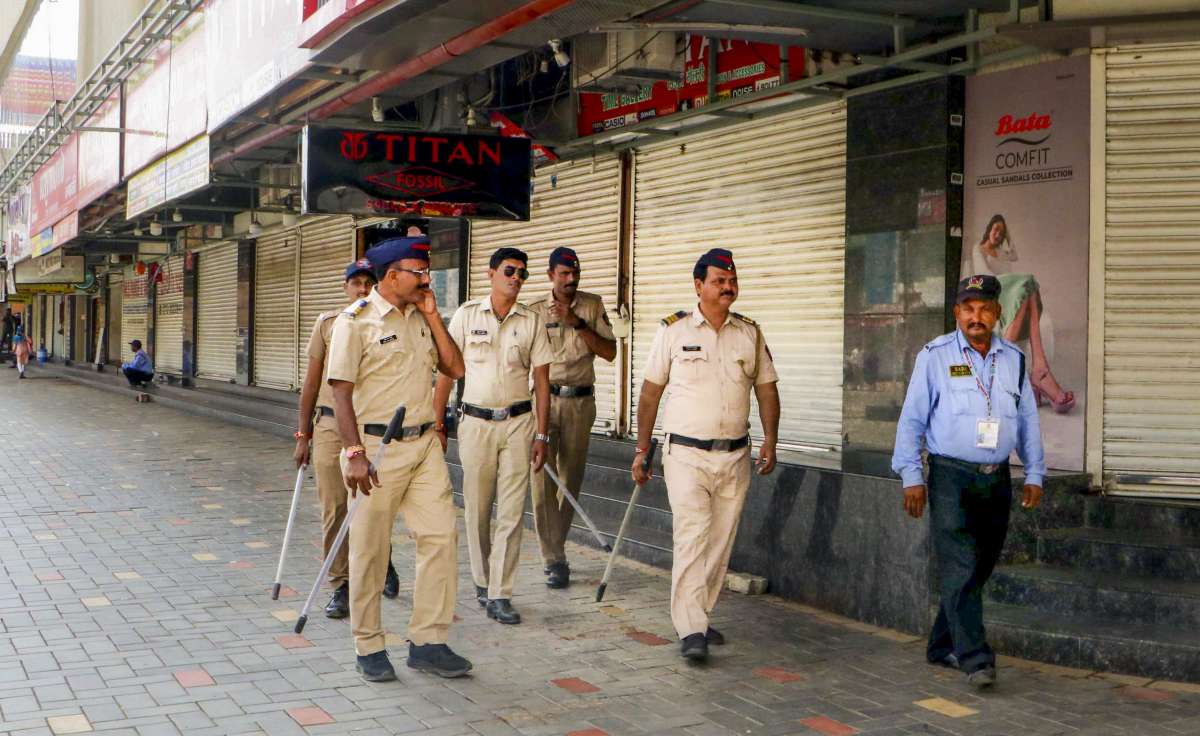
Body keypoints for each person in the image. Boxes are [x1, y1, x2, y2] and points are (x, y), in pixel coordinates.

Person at [326, 236, 471, 682]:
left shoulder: (421, 316)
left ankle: (428, 640)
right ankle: (368, 644)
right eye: (419, 272)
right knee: (370, 549)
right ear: (392, 276)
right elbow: (340, 392)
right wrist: (353, 453)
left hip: (425, 443)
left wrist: (433, 314)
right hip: (376, 448)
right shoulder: (355, 322)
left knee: (440, 538)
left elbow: (456, 369)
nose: (427, 279)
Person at [892, 274, 1046, 689]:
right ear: (957, 312)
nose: (976, 317)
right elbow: (912, 419)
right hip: (950, 477)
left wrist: (1034, 471)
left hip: (996, 480)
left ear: (998, 313)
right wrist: (911, 476)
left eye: (984, 309)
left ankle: (942, 642)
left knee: (980, 566)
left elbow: (1028, 419)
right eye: (968, 308)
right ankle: (975, 657)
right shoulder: (935, 356)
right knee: (960, 564)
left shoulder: (1013, 358)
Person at [632, 248, 780, 662]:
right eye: (719, 281)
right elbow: (650, 392)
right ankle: (690, 626)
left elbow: (766, 389)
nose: (728, 287)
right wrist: (642, 449)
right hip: (686, 455)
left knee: (719, 543)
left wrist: (770, 439)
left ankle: (699, 611)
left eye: (732, 280)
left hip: (735, 455)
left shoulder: (749, 333)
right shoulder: (673, 331)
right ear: (699, 286)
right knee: (693, 535)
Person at [434, 247, 553, 625]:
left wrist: (543, 435)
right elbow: (446, 371)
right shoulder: (468, 316)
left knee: (514, 511)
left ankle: (501, 592)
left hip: (520, 423)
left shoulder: (531, 321)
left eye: (522, 273)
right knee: (478, 508)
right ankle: (482, 582)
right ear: (490, 273)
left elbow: (542, 382)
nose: (516, 278)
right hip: (475, 424)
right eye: (510, 270)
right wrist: (438, 422)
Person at [294, 260, 401, 620]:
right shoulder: (328, 324)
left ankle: (382, 561)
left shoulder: (388, 323)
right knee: (335, 509)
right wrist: (302, 435)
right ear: (345, 287)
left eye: (368, 283)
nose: (361, 289)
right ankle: (341, 584)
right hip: (328, 427)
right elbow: (311, 383)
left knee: (375, 503)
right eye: (355, 282)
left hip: (369, 426)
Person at [527, 247, 617, 589]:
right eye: (563, 274)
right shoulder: (535, 311)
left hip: (580, 403)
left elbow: (609, 352)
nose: (570, 279)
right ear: (551, 275)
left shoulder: (592, 305)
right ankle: (553, 558)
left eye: (574, 273)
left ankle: (556, 545)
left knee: (570, 480)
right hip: (544, 400)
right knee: (541, 480)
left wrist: (577, 322)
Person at [965, 214, 1074, 413]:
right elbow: (984, 276)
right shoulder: (978, 249)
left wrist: (1009, 240)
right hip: (989, 292)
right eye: (995, 229)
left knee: (1027, 289)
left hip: (1006, 292)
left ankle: (1036, 369)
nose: (997, 234)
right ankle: (1040, 372)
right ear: (989, 229)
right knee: (1027, 284)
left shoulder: (1002, 251)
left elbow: (1014, 257)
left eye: (1002, 232)